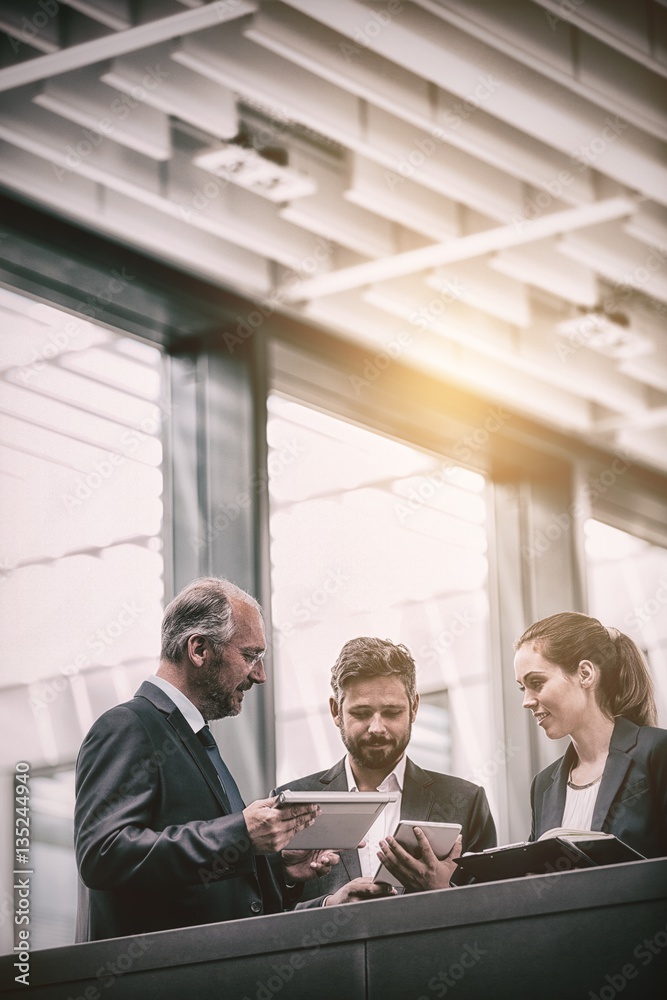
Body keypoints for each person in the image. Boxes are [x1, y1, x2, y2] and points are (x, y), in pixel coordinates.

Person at [74, 577, 335, 941]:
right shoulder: (128, 725)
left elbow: (205, 889)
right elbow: (103, 854)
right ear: (198, 649)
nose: (260, 675)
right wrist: (241, 834)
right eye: (250, 656)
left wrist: (276, 869)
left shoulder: (194, 737)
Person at [277, 637, 497, 907]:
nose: (377, 728)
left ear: (414, 707)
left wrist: (445, 890)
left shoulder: (467, 801)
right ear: (336, 711)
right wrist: (328, 906)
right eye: (361, 713)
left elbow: (492, 909)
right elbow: (266, 914)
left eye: (392, 712)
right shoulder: (291, 803)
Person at [514, 611, 667, 858]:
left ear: (585, 674)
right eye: (523, 688)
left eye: (537, 683)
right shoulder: (543, 785)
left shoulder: (657, 752)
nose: (526, 701)